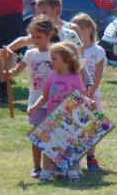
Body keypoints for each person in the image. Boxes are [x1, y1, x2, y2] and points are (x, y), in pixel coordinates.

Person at [3, 15, 56, 179]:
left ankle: (54, 165)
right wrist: (10, 73)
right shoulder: (30, 54)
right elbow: (18, 70)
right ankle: (36, 167)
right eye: (32, 37)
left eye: (38, 37)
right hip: (35, 100)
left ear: (49, 35)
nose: (34, 40)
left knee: (53, 135)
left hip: (54, 101)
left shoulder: (55, 53)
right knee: (37, 135)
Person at [28, 41, 88, 183]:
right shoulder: (51, 77)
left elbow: (82, 96)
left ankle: (72, 169)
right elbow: (45, 96)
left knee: (71, 145)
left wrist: (88, 101)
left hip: (69, 119)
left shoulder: (76, 78)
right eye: (51, 58)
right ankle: (46, 171)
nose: (51, 62)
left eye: (55, 59)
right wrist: (35, 107)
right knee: (49, 146)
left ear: (67, 60)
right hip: (52, 117)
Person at [71, 13, 106, 172]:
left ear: (90, 29)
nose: (77, 35)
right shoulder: (72, 50)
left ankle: (91, 158)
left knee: (92, 128)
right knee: (76, 127)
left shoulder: (97, 50)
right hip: (76, 96)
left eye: (81, 30)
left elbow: (98, 74)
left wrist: (90, 92)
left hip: (93, 95)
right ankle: (75, 159)